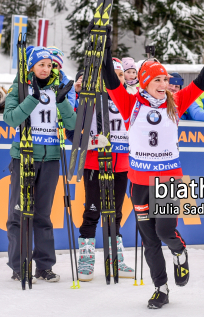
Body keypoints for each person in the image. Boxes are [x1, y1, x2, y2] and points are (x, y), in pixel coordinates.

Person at [101, 25, 204, 308]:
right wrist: (104, 47)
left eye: (165, 79)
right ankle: (161, 288)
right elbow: (110, 79)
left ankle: (179, 249)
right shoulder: (129, 104)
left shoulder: (176, 102)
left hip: (167, 180)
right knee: (149, 240)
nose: (163, 84)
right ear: (145, 81)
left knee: (164, 232)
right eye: (157, 80)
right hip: (138, 182)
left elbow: (203, 78)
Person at [3, 46, 76, 284]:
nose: (46, 69)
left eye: (49, 65)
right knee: (18, 214)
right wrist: (32, 98)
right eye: (41, 64)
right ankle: (19, 265)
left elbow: (73, 126)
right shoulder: (20, 87)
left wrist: (63, 101)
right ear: (31, 66)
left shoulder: (58, 87)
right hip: (24, 156)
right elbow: (11, 118)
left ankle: (44, 266)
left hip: (52, 158)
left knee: (43, 215)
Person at [77, 57, 134, 282]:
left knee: (116, 214)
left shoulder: (129, 100)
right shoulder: (89, 100)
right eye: (113, 75)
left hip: (121, 165)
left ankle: (115, 259)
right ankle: (87, 259)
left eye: (121, 75)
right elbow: (74, 135)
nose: (118, 79)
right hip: (95, 163)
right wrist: (91, 143)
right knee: (92, 212)